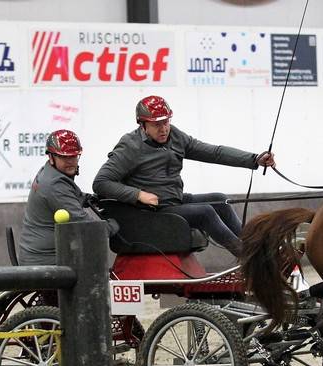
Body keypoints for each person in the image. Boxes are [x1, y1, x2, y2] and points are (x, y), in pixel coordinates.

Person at [93, 95, 275, 255]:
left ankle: (254, 248)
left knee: (220, 200)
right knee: (205, 212)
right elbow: (101, 182)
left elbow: (213, 152)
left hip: (174, 200)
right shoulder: (130, 146)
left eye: (166, 122)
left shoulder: (175, 136)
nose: (164, 129)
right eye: (157, 125)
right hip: (151, 211)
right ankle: (248, 258)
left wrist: (254, 159)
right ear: (143, 125)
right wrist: (138, 195)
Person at [18, 130, 119, 266]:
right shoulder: (54, 184)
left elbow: (70, 193)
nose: (71, 162)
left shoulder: (49, 172)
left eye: (74, 157)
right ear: (51, 157)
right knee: (95, 267)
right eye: (65, 158)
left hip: (38, 255)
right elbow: (85, 225)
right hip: (46, 261)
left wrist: (88, 198)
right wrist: (111, 227)